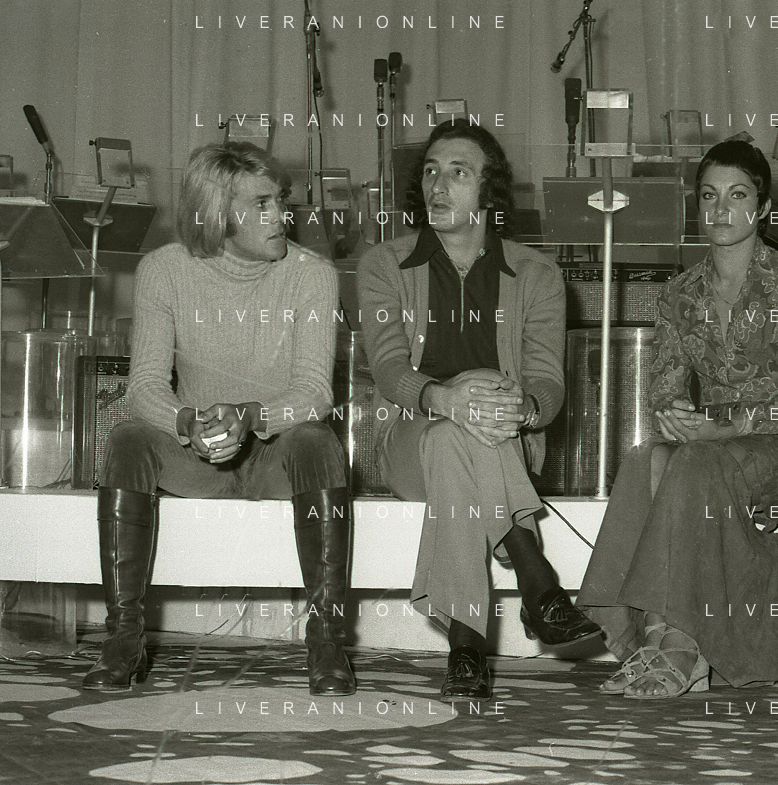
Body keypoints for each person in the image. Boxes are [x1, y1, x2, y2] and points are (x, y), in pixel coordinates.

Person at [83, 142, 354, 696]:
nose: (281, 217)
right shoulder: (164, 270)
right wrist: (189, 423)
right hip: (196, 454)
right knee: (128, 439)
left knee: (318, 441)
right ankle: (123, 638)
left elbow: (314, 392)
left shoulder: (312, 275)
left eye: (281, 202)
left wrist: (251, 417)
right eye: (261, 205)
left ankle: (327, 641)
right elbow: (144, 387)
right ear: (216, 214)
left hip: (275, 454)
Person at [357, 121, 600, 703]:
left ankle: (466, 648)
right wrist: (445, 399)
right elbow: (388, 369)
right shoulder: (385, 264)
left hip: (505, 439)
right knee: (448, 430)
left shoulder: (537, 274)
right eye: (431, 172)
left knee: (460, 437)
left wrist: (521, 409)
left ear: (488, 192)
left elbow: (546, 381)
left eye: (458, 172)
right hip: (410, 440)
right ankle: (537, 582)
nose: (438, 185)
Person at [577, 139, 778, 699]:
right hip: (710, 443)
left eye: (737, 195)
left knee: (693, 463)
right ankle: (650, 637)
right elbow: (665, 387)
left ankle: (682, 646)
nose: (720, 209)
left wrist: (721, 428)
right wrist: (674, 416)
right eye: (709, 196)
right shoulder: (678, 292)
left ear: (763, 208)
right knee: (644, 458)